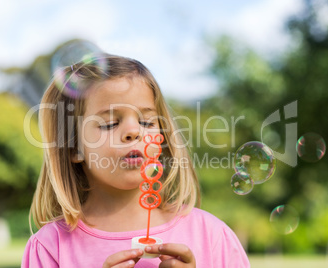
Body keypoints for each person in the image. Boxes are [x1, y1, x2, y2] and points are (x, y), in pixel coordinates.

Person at [21, 53, 250, 267]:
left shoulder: (211, 235)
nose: (134, 131)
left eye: (147, 122)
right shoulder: (50, 247)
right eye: (110, 123)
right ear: (73, 147)